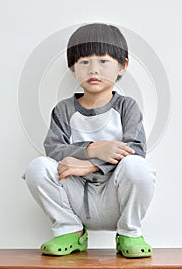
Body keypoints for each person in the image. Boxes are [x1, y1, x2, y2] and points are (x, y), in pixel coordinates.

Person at [24, 23, 156, 258]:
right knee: (37, 167)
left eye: (103, 61)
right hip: (74, 195)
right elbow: (53, 149)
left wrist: (89, 164)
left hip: (114, 196)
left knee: (138, 166)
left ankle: (129, 232)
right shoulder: (63, 110)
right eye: (84, 62)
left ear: (122, 66)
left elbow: (135, 149)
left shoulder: (127, 107)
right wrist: (94, 149)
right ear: (73, 68)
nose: (93, 69)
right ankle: (69, 230)